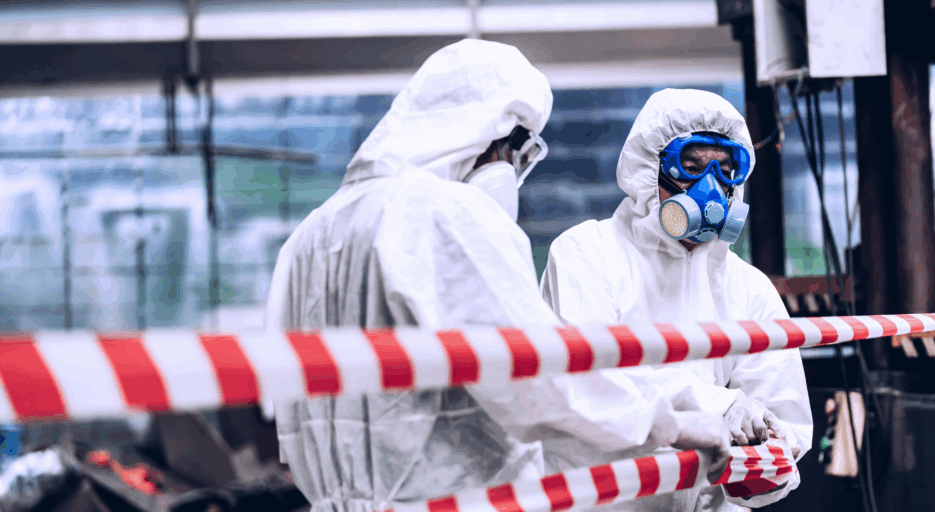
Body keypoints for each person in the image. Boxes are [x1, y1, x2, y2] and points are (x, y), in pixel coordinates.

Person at [266, 41, 731, 512]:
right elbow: (535, 373)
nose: (512, 172)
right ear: (489, 135)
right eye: (516, 153)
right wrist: (674, 422)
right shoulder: (443, 213)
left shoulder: (312, 233)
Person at [539, 88, 813, 512]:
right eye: (691, 167)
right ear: (650, 170)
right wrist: (721, 407)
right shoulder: (585, 254)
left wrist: (765, 458)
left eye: (726, 169)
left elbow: (785, 420)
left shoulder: (749, 288)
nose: (711, 188)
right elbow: (600, 379)